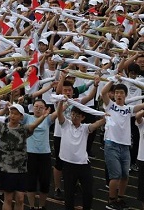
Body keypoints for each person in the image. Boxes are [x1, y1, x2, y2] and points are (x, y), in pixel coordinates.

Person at [0, 101, 50, 210]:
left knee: (20, 198)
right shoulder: (2, 127)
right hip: (6, 169)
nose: (12, 116)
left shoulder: (23, 129)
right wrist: (2, 108)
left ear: (21, 116)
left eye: (16, 114)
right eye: (11, 113)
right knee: (8, 199)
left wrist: (43, 116)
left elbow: (34, 125)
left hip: (21, 169)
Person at [101, 81, 144, 209]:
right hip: (111, 145)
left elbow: (141, 106)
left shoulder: (128, 109)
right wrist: (113, 80)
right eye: (117, 93)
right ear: (114, 95)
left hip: (125, 146)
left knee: (125, 175)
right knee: (116, 175)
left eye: (121, 93)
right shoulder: (110, 105)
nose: (119, 95)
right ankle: (111, 201)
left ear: (126, 95)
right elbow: (103, 92)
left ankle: (120, 198)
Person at [56, 99, 106, 210]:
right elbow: (59, 114)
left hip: (83, 164)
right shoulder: (66, 124)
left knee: (88, 192)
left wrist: (105, 116)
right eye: (73, 114)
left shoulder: (85, 128)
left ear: (82, 117)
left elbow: (97, 124)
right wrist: (61, 102)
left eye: (78, 116)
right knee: (69, 194)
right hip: (68, 164)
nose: (74, 117)